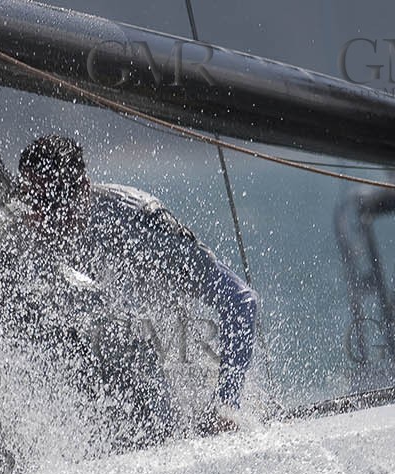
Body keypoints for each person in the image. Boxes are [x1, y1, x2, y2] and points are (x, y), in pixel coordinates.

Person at [15, 136, 258, 435]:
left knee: (130, 338)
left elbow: (241, 300)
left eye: (48, 201)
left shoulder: (140, 224)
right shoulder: (26, 230)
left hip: (162, 388)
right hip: (92, 390)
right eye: (29, 199)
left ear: (81, 189)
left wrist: (225, 405)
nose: (36, 216)